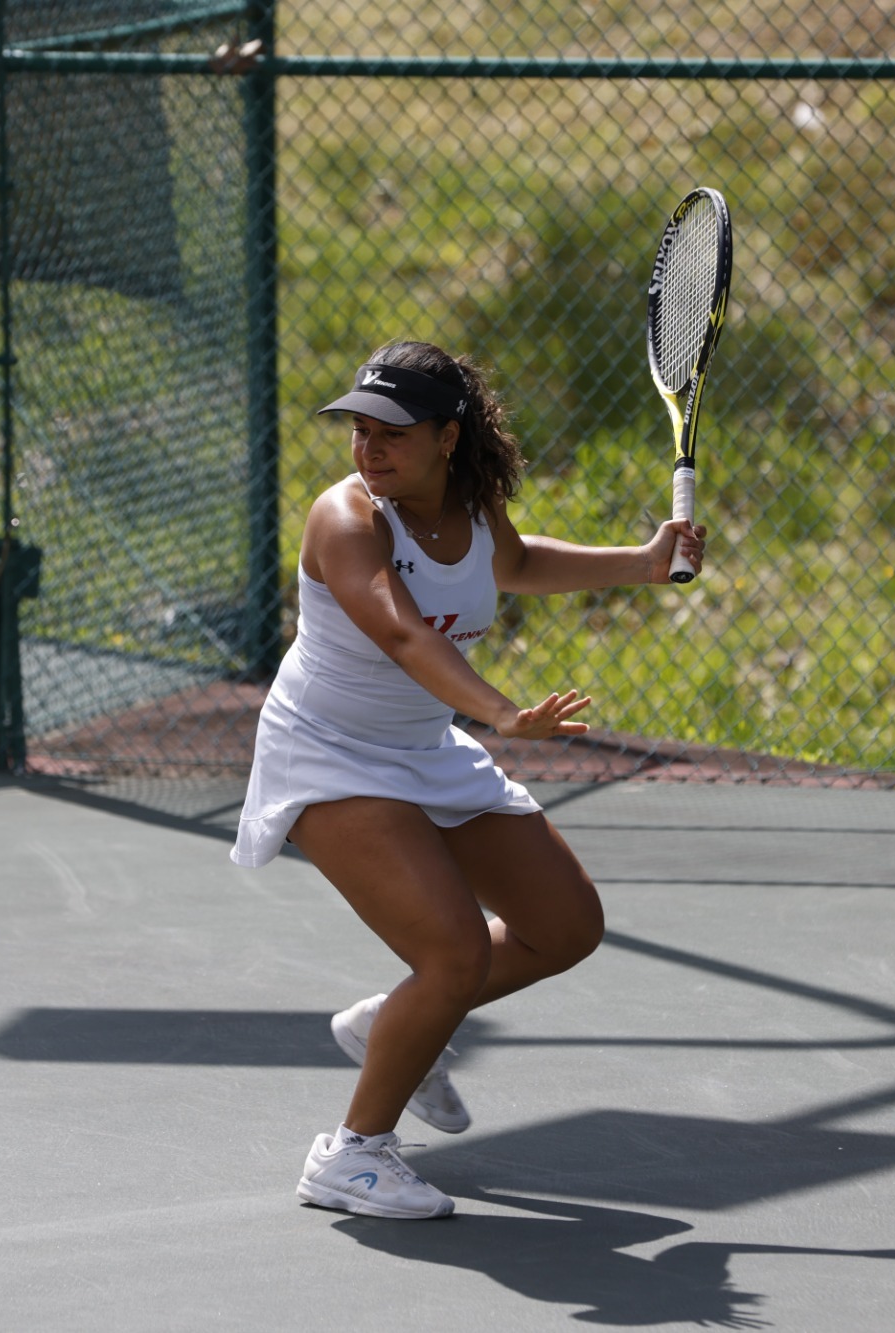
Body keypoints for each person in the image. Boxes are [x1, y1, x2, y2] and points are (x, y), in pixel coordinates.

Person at [230, 339, 706, 1220]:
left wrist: (643, 561)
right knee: (450, 951)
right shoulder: (345, 518)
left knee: (565, 925)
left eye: (392, 434)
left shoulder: (475, 512)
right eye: (358, 430)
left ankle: (393, 1023)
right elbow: (405, 635)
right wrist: (498, 712)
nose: (369, 450)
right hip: (328, 751)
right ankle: (350, 1155)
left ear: (448, 438)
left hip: (421, 747)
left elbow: (516, 566)